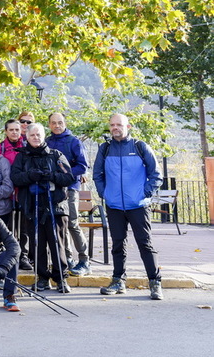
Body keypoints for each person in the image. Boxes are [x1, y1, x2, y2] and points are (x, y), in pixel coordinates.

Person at [93, 113, 164, 300]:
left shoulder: (140, 147)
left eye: (119, 124)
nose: (115, 128)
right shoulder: (105, 149)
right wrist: (105, 194)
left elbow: (156, 174)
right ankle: (118, 280)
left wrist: (144, 193)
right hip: (114, 205)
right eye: (112, 125)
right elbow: (97, 175)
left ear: (128, 126)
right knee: (117, 245)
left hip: (138, 205)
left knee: (145, 244)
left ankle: (155, 282)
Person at [11, 122, 74, 293]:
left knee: (57, 243)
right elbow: (15, 178)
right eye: (32, 135)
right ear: (27, 137)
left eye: (38, 134)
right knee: (37, 244)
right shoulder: (21, 157)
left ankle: (61, 278)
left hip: (56, 207)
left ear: (44, 135)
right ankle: (42, 278)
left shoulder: (56, 155)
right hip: (32, 207)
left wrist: (52, 175)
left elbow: (69, 177)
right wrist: (30, 176)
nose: (36, 138)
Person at [46, 112, 91, 276]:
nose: (57, 125)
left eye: (60, 122)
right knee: (60, 225)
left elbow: (83, 166)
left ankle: (84, 260)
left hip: (70, 188)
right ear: (49, 125)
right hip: (53, 189)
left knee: (72, 223)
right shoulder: (47, 142)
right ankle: (68, 258)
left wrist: (65, 175)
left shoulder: (74, 142)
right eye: (53, 123)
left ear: (64, 123)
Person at [0, 118, 31, 271]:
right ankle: (7, 256)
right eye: (11, 130)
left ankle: (23, 256)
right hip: (6, 193)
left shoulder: (27, 145)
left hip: (24, 191)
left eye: (17, 130)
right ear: (6, 131)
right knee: (7, 227)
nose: (15, 132)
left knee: (24, 227)